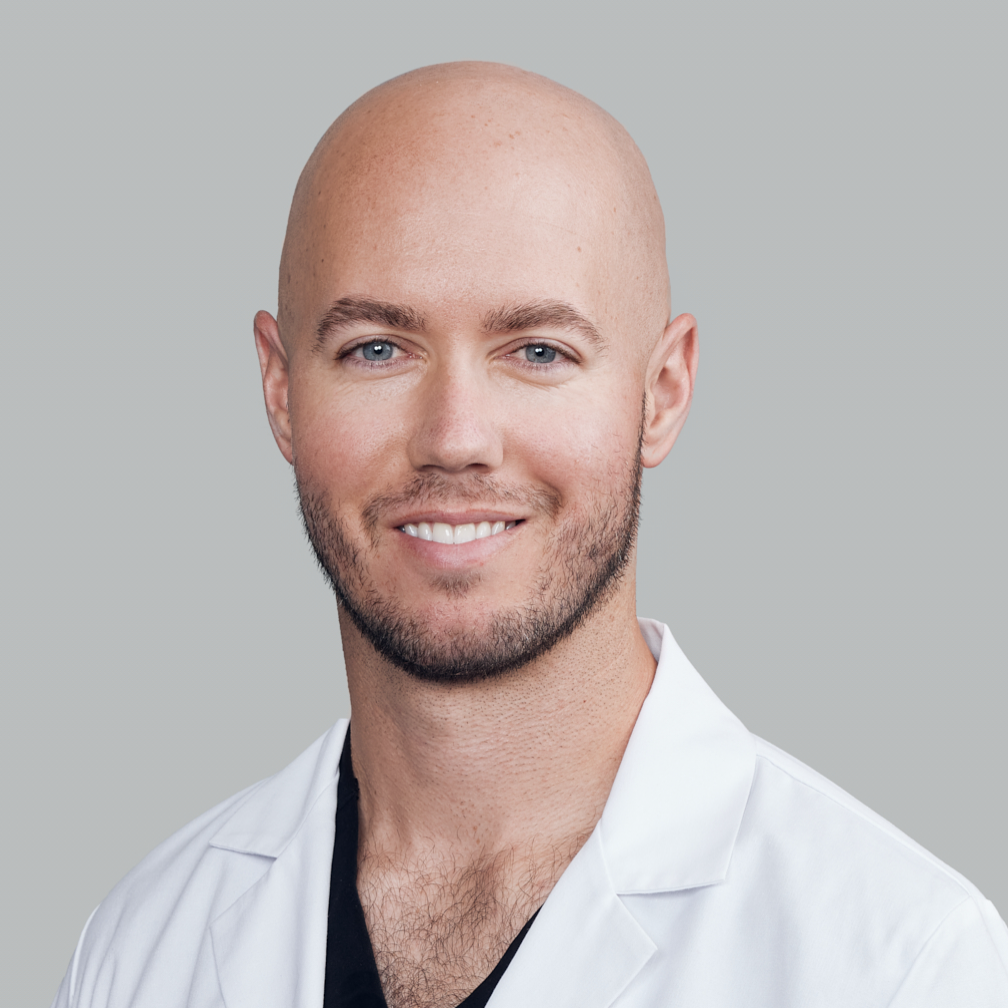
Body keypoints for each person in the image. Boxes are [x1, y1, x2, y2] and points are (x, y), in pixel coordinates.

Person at [52, 61, 1008, 1008]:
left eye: (539, 351)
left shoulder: (903, 967)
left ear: (663, 392)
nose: (455, 437)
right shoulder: (139, 951)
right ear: (280, 390)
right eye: (377, 349)